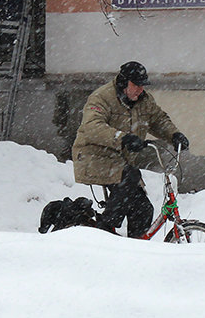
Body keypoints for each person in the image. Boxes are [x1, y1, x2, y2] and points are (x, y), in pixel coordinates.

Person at [72, 61, 190, 238]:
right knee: (129, 176)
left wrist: (174, 135)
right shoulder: (102, 97)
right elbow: (92, 126)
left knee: (143, 208)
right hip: (93, 157)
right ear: (123, 83)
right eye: (136, 85)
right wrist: (123, 138)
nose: (140, 89)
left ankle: (135, 249)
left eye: (142, 85)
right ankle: (104, 231)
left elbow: (158, 120)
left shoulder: (144, 100)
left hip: (119, 162)